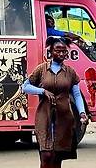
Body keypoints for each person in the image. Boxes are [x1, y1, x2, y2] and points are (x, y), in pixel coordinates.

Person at [23, 37, 88, 168]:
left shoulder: (70, 72)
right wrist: (42, 91)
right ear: (51, 51)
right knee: (46, 155)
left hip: (64, 117)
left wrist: (82, 113)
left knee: (58, 156)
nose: (62, 54)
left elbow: (76, 94)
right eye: (58, 50)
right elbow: (25, 87)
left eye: (64, 51)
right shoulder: (41, 69)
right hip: (44, 116)